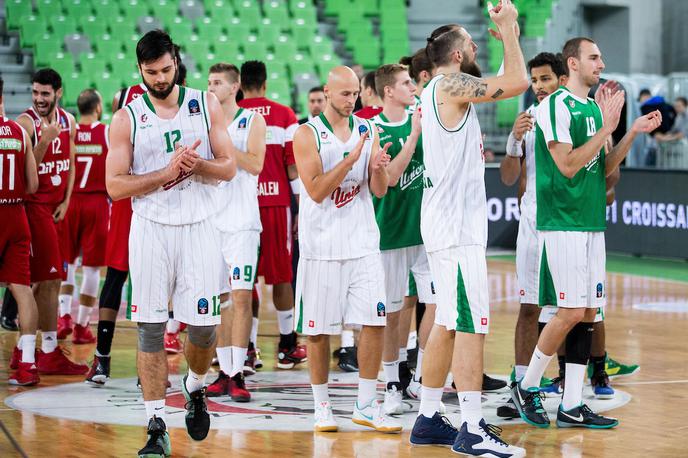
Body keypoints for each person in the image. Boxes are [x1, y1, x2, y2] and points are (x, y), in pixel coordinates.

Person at [511, 36, 661, 430]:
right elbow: (567, 165)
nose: (602, 62)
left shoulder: (594, 108)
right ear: (572, 63)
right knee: (571, 310)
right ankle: (526, 384)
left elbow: (603, 167)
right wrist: (606, 128)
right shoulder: (553, 106)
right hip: (561, 221)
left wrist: (630, 134)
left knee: (589, 311)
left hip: (591, 219)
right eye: (594, 56)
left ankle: (572, 403)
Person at [106, 30, 237, 457]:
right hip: (150, 230)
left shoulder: (205, 102)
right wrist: (165, 173)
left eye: (165, 70)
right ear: (139, 69)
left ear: (176, 62)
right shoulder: (127, 117)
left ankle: (195, 387)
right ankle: (155, 423)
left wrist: (197, 165)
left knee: (204, 329)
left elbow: (230, 167)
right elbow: (114, 186)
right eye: (150, 72)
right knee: (149, 329)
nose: (159, 78)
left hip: (198, 224)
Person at [409, 2, 529, 455]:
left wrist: (507, 37)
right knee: (472, 325)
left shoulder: (445, 87)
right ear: (457, 55)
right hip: (455, 230)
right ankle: (473, 428)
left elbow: (502, 80)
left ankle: (426, 417)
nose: (478, 45)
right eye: (471, 43)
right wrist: (509, 30)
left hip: (446, 225)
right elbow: (515, 83)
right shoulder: (448, 85)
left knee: (446, 322)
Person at [293, 65, 400, 433]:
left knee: (374, 322)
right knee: (319, 331)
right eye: (344, 93)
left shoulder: (367, 129)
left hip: (363, 242)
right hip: (321, 247)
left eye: (355, 93)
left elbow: (380, 189)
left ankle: (367, 404)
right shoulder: (306, 134)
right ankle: (322, 406)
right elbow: (318, 190)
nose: (351, 99)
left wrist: (379, 168)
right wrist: (350, 160)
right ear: (326, 92)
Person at [369, 64, 435, 416]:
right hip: (390, 233)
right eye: (406, 83)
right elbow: (391, 178)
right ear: (389, 91)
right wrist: (412, 137)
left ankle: (422, 377)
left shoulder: (423, 117)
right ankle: (392, 382)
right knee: (392, 314)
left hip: (427, 232)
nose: (413, 86)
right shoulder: (375, 129)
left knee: (438, 306)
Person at [16, 68, 87, 376]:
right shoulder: (25, 123)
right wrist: (44, 141)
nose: (39, 99)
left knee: (45, 282)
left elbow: (70, 162)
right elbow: (23, 172)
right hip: (34, 208)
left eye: (45, 93)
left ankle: (24, 350)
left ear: (58, 92)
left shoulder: (69, 121)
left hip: (58, 209)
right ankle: (45, 351)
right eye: (35, 92)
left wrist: (68, 200)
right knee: (46, 282)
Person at [238, 60, 306, 370]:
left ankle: (248, 347)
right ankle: (287, 345)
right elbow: (293, 167)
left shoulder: (233, 114)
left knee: (244, 277)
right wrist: (301, 205)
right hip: (277, 203)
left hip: (241, 205)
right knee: (282, 275)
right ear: (265, 84)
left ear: (241, 84)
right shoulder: (284, 115)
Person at [205, 62, 266, 401]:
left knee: (242, 297)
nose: (211, 87)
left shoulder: (253, 120)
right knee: (220, 301)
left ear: (234, 86)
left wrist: (225, 142)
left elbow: (256, 164)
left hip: (242, 222)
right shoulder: (203, 121)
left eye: (217, 82)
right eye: (209, 82)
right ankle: (223, 370)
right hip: (212, 221)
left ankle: (237, 372)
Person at [56, 89, 109, 345]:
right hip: (97, 203)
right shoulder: (107, 132)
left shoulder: (70, 133)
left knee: (67, 264)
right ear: (98, 108)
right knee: (91, 269)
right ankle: (81, 325)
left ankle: (64, 315)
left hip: (70, 200)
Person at [0, 75, 41, 385]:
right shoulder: (19, 132)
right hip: (16, 213)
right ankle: (28, 364)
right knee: (23, 291)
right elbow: (33, 184)